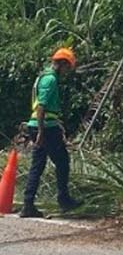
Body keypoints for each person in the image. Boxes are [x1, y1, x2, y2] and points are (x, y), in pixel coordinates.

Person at [20, 47, 80, 218]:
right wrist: (40, 131)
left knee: (38, 165)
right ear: (61, 64)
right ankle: (64, 200)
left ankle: (28, 204)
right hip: (45, 127)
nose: (67, 71)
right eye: (67, 67)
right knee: (62, 161)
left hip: (44, 125)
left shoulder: (43, 77)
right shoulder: (50, 80)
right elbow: (41, 106)